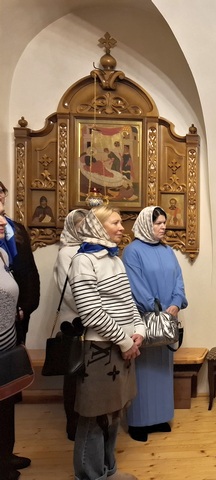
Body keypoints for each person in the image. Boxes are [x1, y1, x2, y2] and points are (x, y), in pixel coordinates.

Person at [68, 205, 145, 480]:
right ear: (98, 226)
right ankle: (90, 475)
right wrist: (125, 341)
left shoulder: (114, 258)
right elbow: (91, 312)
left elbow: (128, 301)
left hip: (123, 347)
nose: (122, 228)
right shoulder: (83, 261)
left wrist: (139, 330)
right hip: (100, 349)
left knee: (113, 414)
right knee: (94, 417)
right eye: (115, 223)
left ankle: (108, 471)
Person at [123, 206, 188, 442]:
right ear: (145, 224)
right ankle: (138, 422)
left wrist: (176, 303)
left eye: (164, 222)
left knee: (162, 369)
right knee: (142, 371)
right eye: (158, 223)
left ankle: (160, 417)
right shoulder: (132, 252)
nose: (163, 226)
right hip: (144, 321)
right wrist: (157, 308)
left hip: (167, 320)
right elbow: (135, 286)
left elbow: (179, 280)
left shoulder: (168, 250)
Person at [0, 204, 31, 480]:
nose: (3, 221)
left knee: (5, 408)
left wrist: (17, 309)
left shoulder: (2, 253)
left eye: (2, 213)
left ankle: (4, 457)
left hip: (6, 344)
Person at [53, 208, 89, 441]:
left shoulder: (90, 250)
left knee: (88, 373)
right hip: (74, 322)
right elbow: (68, 292)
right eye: (80, 226)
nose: (84, 229)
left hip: (92, 320)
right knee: (73, 374)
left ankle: (88, 418)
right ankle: (73, 424)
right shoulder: (66, 253)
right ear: (72, 228)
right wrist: (91, 309)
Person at [0, 181, 40, 346]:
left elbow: (29, 271)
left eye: (1, 191)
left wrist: (26, 307)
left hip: (19, 311)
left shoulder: (17, 229)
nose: (0, 195)